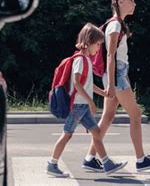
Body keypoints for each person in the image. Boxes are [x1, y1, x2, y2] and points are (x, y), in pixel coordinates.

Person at [83, 0, 150, 172]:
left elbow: (117, 57)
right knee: (135, 115)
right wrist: (112, 83)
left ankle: (89, 158)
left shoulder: (117, 24)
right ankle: (141, 159)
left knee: (108, 116)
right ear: (120, 1)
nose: (134, 4)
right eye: (131, 0)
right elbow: (110, 55)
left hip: (118, 74)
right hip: (115, 75)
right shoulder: (115, 25)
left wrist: (120, 78)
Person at [47, 23, 128, 177]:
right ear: (88, 42)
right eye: (98, 44)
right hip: (78, 106)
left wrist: (104, 94)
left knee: (97, 132)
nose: (99, 49)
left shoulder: (86, 60)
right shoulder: (80, 59)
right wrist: (91, 102)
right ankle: (52, 164)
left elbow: (87, 85)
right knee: (67, 134)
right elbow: (77, 83)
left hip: (82, 106)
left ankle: (107, 163)